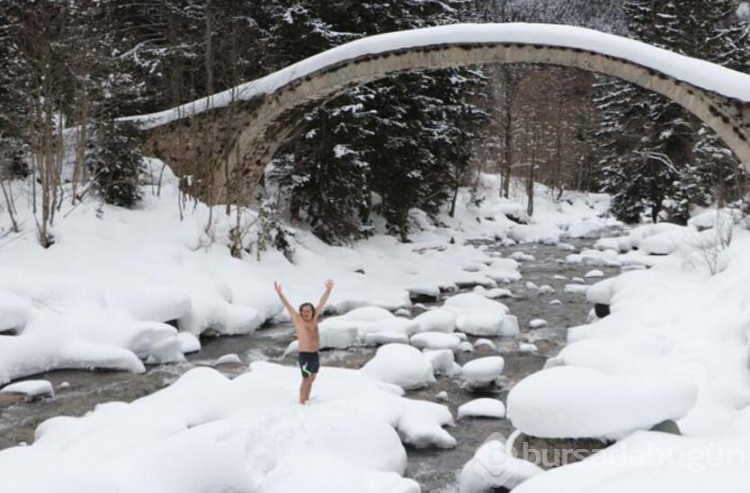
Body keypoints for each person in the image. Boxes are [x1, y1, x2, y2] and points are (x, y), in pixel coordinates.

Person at [273, 279, 334, 404]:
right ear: (301, 313)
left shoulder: (314, 318)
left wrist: (328, 290)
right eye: (304, 311)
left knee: (312, 377)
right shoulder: (298, 320)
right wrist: (280, 294)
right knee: (306, 379)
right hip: (305, 355)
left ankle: (307, 398)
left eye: (308, 311)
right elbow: (288, 306)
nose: (306, 313)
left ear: (312, 311)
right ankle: (302, 401)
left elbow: (322, 302)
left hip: (315, 354)